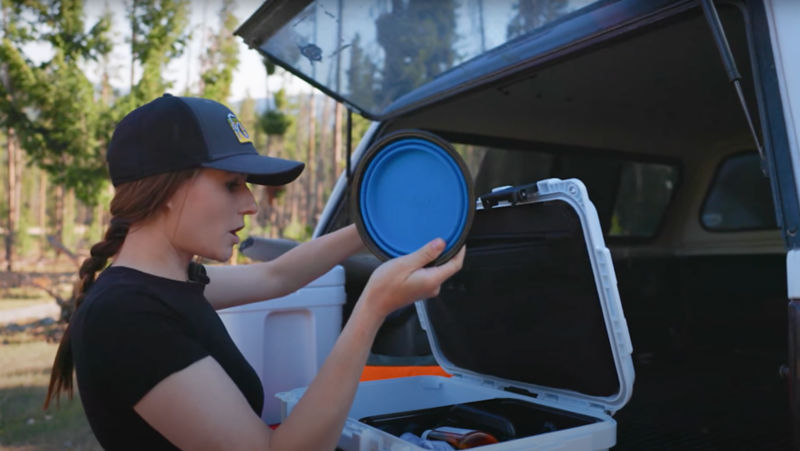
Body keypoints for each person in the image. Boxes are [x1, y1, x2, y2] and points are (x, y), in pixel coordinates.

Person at [44, 94, 465, 450]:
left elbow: (277, 277)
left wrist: (374, 224)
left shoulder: (166, 285)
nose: (250, 204)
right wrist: (373, 308)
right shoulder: (128, 317)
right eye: (231, 184)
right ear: (167, 188)